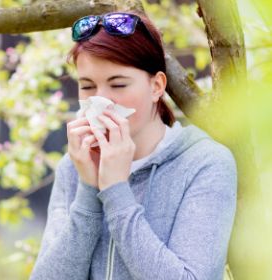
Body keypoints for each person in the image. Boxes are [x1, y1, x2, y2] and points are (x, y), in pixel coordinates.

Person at [30, 11, 237, 280]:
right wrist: (89, 189)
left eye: (118, 84)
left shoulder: (205, 164)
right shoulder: (74, 166)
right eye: (88, 86)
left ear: (156, 86)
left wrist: (116, 191)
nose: (101, 101)